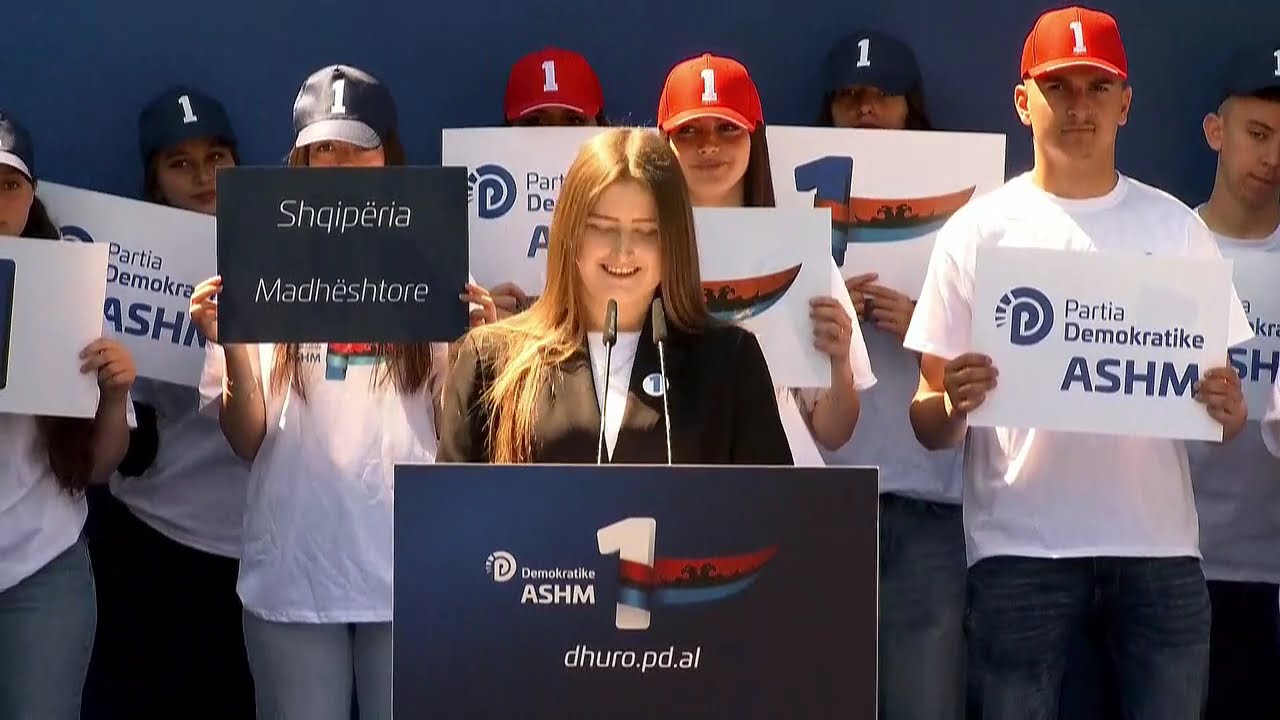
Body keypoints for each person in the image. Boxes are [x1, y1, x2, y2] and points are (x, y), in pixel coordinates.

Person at [902, 7, 1252, 719]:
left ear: (1126, 103)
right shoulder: (977, 231)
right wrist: (953, 401)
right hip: (1019, 551)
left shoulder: (1177, 229)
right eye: (1058, 87)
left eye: (1097, 87)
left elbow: (1224, 415)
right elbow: (927, 420)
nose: (1078, 106)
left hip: (1159, 549)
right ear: (1022, 100)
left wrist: (1230, 409)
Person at [189, 64, 495, 720]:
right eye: (323, 147)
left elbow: (453, 435)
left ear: (389, 156)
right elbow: (246, 440)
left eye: (358, 145)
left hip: (410, 570)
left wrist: (476, 352)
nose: (340, 163)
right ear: (300, 161)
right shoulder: (258, 262)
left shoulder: (437, 263)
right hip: (295, 568)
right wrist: (231, 341)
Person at [437, 127, 792, 465]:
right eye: (603, 228)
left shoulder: (731, 362)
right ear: (569, 233)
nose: (623, 251)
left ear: (674, 242)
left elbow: (770, 505)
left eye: (646, 231)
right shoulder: (489, 359)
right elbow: (452, 503)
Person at [81, 86, 256, 719]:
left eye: (216, 157)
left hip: (258, 541)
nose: (204, 176)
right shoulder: (121, 264)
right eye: (181, 163)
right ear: (155, 178)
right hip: (155, 531)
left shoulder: (287, 250)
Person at [816, 30, 967, 720]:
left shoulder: (968, 219)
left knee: (923, 704)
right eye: (849, 97)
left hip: (926, 498)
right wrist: (817, 317)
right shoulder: (789, 201)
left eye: (883, 95)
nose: (866, 110)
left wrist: (925, 325)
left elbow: (1002, 358)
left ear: (913, 107)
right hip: (822, 496)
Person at [655, 52, 876, 465]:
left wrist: (839, 362)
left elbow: (834, 432)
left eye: (727, 128)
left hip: (781, 481)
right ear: (663, 143)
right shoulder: (639, 254)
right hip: (672, 477)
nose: (709, 145)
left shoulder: (799, 249)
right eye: (688, 131)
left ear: (753, 136)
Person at [0, 109, 138, 720]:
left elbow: (100, 467)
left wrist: (114, 394)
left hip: (41, 567)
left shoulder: (69, 290)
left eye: (9, 185)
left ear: (32, 195)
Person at [1196, 46, 1280, 720]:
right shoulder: (1163, 248)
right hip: (1171, 566)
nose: (1273, 157)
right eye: (1258, 133)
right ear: (1215, 132)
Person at [490, 47, 609, 320]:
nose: (554, 135)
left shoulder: (638, 208)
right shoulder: (473, 218)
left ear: (602, 128)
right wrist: (483, 328)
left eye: (573, 121)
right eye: (535, 122)